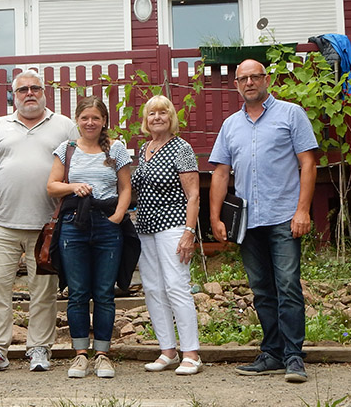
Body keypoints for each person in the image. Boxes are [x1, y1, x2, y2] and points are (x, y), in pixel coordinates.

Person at [208, 59, 318, 383]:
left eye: (254, 77)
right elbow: (221, 172)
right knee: (261, 289)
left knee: (287, 285)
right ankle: (272, 352)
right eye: (242, 78)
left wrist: (303, 211)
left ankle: (294, 356)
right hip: (247, 221)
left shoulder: (291, 114)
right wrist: (215, 217)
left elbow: (308, 164)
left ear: (266, 79)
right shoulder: (230, 125)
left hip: (284, 216)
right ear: (236, 85)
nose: (249, 83)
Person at [0, 70, 79, 374]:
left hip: (47, 225)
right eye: (22, 90)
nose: (29, 94)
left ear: (44, 92)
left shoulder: (64, 126)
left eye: (35, 88)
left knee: (44, 291)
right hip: (4, 223)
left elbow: (80, 162)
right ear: (13, 96)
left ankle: (39, 349)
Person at [47, 96, 132, 379]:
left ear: (104, 121)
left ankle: (103, 355)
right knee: (79, 293)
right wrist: (73, 186)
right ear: (77, 120)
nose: (90, 123)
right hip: (74, 225)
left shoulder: (117, 149)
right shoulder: (67, 149)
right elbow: (52, 186)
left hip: (107, 224)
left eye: (96, 118)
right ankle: (80, 354)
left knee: (105, 294)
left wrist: (118, 216)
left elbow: (125, 188)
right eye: (85, 118)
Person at [131, 95, 203, 375]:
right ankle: (167, 350)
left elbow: (194, 194)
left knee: (176, 285)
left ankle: (191, 353)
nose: (157, 117)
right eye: (151, 114)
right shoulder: (144, 149)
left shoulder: (181, 147)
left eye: (163, 112)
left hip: (173, 225)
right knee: (153, 288)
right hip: (146, 228)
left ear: (171, 117)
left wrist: (189, 231)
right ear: (145, 120)